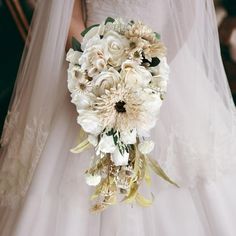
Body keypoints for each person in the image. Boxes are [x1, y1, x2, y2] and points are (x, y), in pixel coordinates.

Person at [0, 0, 236, 235]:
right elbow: (68, 16)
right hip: (89, 70)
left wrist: (147, 77)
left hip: (163, 66)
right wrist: (99, 72)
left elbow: (186, 15)